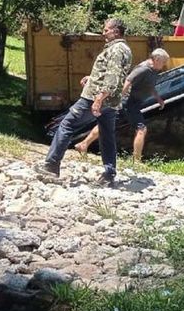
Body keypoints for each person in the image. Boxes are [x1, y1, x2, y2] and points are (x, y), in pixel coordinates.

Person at [35, 18, 132, 185]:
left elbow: (113, 78)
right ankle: (109, 175)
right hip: (113, 102)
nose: (103, 33)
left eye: (106, 30)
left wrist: (99, 99)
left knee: (67, 125)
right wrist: (92, 78)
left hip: (94, 99)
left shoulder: (116, 50)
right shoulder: (125, 49)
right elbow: (112, 74)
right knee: (107, 135)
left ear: (116, 32)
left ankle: (51, 166)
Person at [74, 48, 170, 161]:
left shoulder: (153, 70)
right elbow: (128, 81)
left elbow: (149, 86)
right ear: (157, 59)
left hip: (131, 103)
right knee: (141, 129)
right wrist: (119, 98)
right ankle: (137, 160)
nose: (164, 65)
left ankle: (83, 144)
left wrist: (158, 99)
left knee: (107, 123)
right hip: (129, 103)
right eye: (163, 62)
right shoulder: (144, 69)